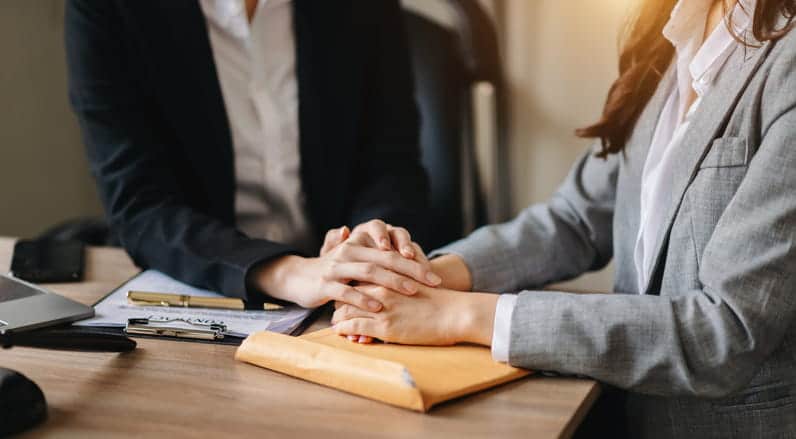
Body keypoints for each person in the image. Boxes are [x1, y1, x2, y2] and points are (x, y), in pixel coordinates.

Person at [331, 0, 796, 436]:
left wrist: (461, 316)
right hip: (622, 413)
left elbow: (725, 330)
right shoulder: (672, 27)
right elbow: (576, 219)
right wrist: (421, 277)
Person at [64, 0, 441, 311]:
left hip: (345, 298)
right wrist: (290, 273)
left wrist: (371, 245)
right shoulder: (108, 10)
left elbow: (392, 163)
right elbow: (140, 205)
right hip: (206, 287)